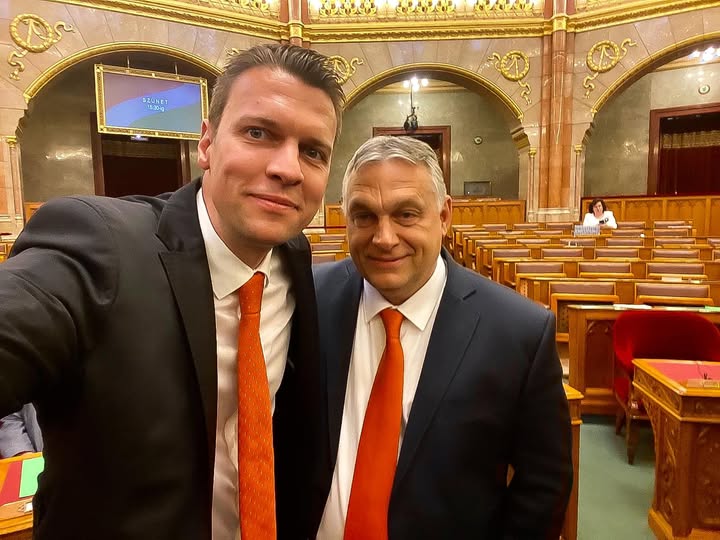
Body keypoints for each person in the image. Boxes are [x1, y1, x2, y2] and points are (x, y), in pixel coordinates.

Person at [0, 43, 343, 539]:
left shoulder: (294, 256)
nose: (288, 168)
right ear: (207, 144)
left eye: (312, 151)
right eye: (258, 133)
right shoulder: (99, 248)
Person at [312, 136, 573, 539]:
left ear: (444, 215)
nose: (384, 237)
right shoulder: (310, 298)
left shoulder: (519, 331)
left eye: (406, 214)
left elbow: (543, 484)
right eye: (364, 216)